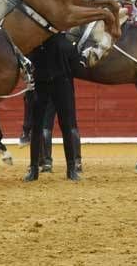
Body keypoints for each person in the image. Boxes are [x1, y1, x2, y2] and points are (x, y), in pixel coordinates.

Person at [24, 33, 82, 182]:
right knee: (41, 127)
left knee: (64, 126)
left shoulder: (37, 41)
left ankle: (70, 169)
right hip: (45, 84)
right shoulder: (62, 41)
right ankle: (35, 169)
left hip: (59, 84)